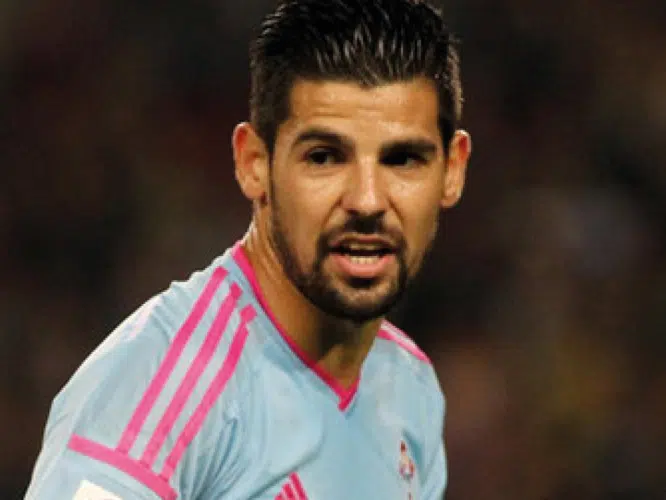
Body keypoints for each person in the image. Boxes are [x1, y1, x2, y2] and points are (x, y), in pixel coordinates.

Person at [25, 0, 471, 498]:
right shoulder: (159, 389)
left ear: (452, 170)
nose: (367, 200)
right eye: (324, 157)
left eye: (403, 159)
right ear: (254, 163)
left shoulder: (410, 389)